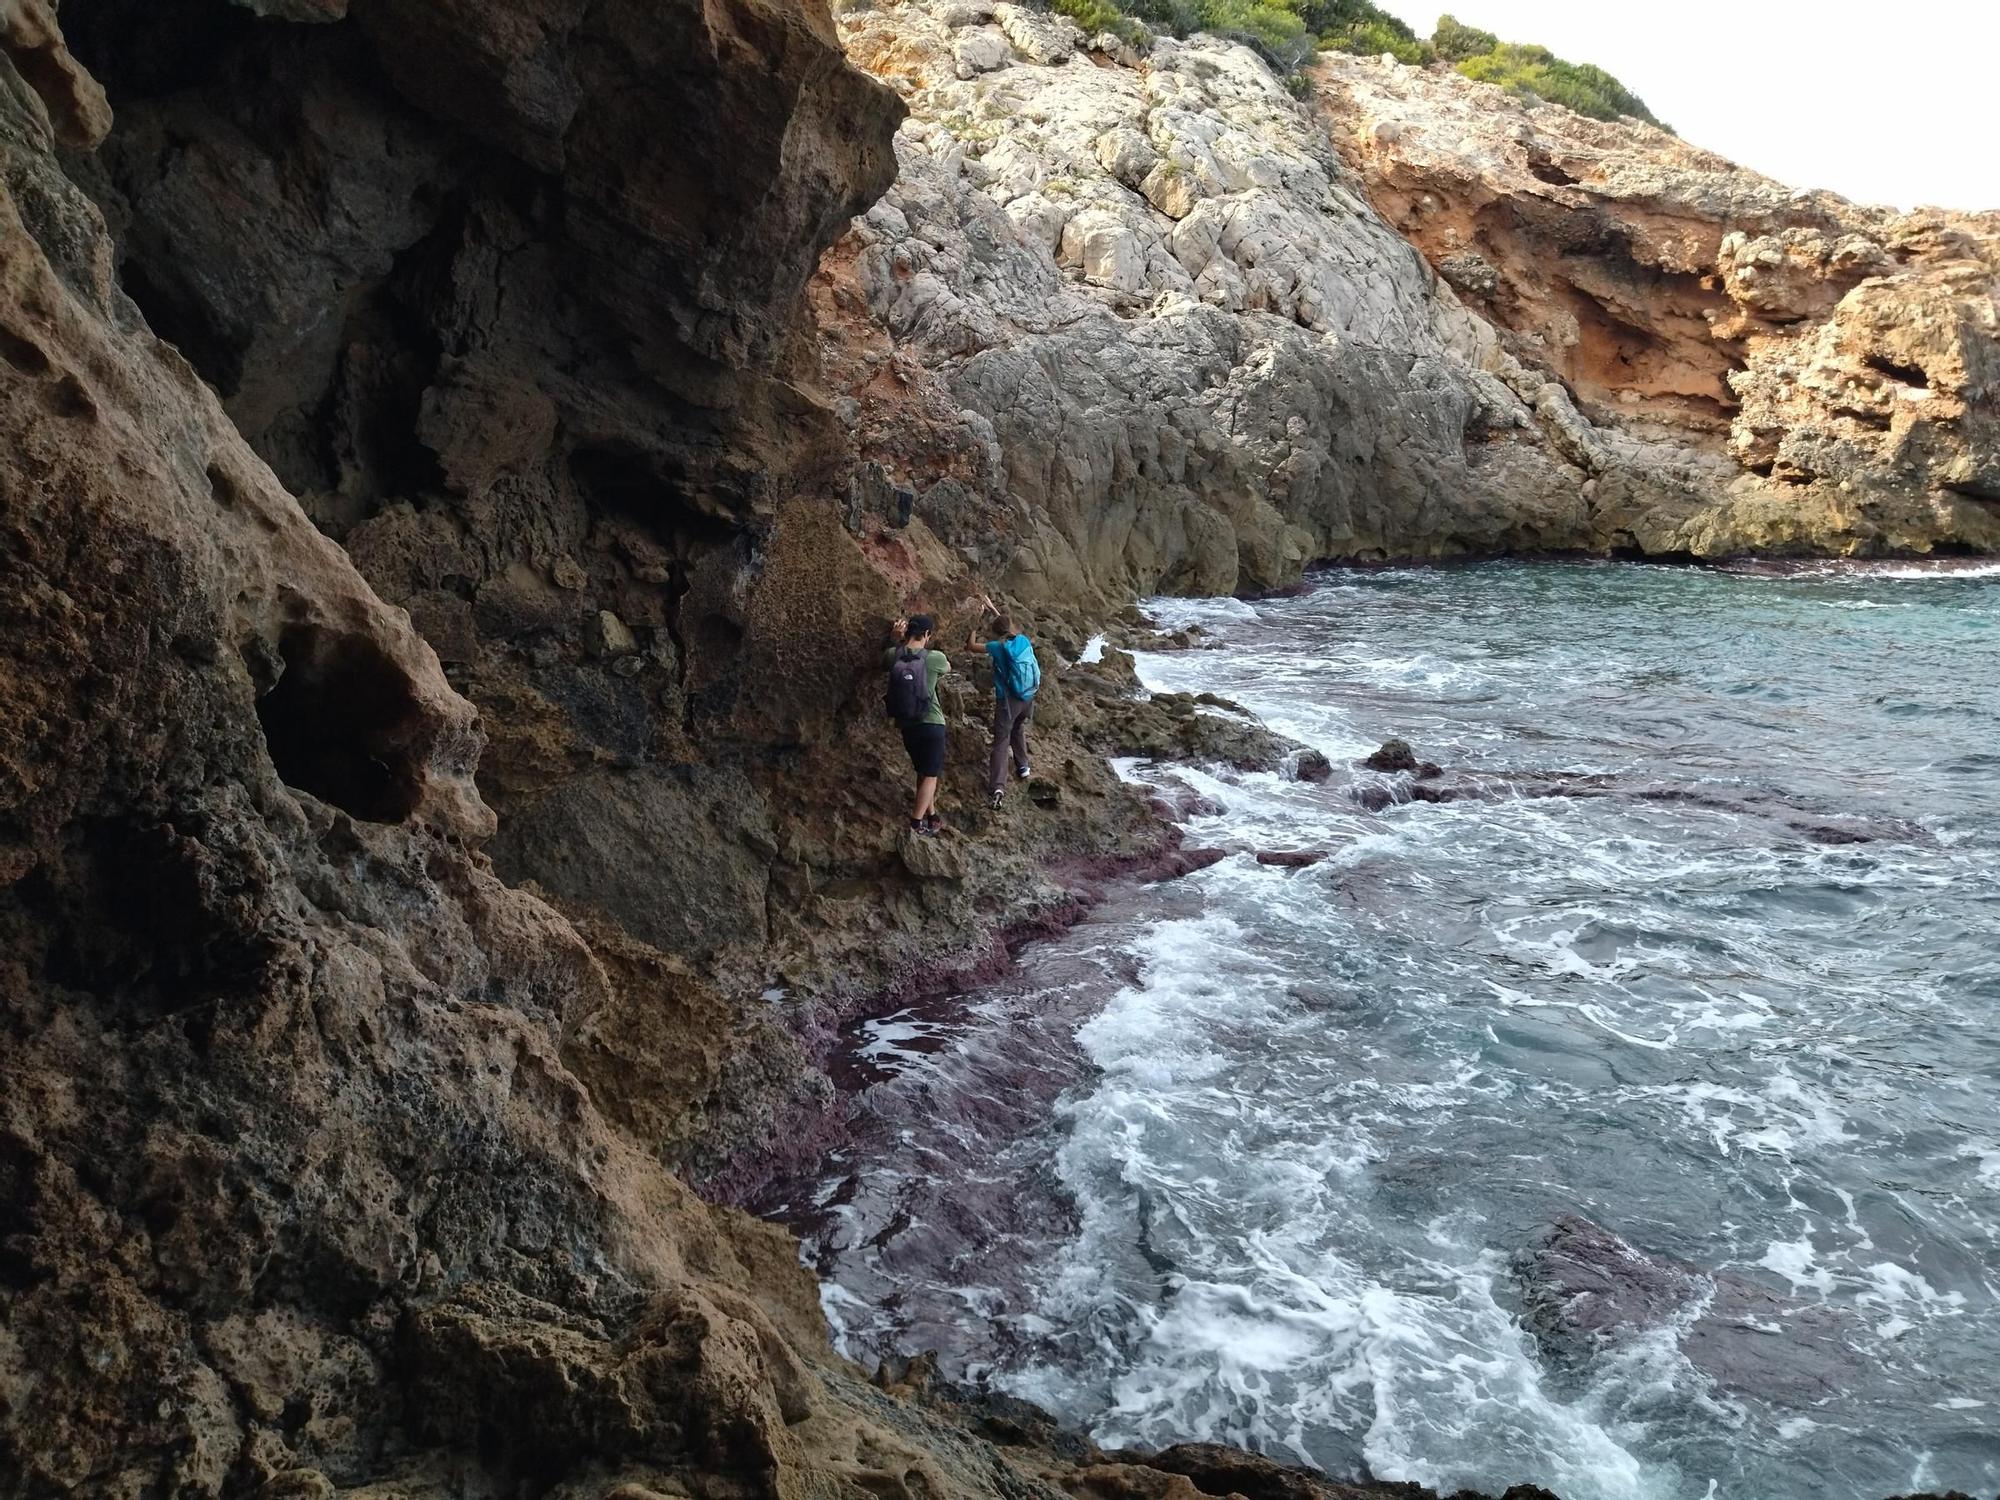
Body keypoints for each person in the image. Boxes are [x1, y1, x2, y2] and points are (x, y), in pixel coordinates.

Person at [884, 614, 950, 837]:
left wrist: (895, 640)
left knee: (923, 771)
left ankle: (932, 816)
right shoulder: (935, 658)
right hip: (932, 723)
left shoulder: (893, 655)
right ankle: (916, 823)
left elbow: (884, 660)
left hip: (907, 725)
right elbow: (947, 668)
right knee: (931, 775)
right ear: (928, 635)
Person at [979, 613, 1038, 809]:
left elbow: (971, 647)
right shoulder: (1022, 640)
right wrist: (992, 609)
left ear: (995, 632)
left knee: (1001, 741)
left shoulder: (997, 647)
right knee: (1018, 728)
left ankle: (998, 787)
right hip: (1028, 696)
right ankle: (1023, 767)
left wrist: (974, 625)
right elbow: (1006, 626)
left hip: (1008, 700)